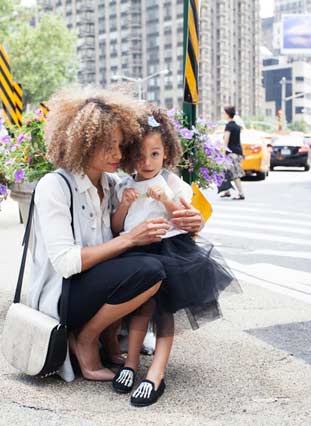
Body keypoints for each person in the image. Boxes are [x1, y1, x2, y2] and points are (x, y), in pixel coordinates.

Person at [26, 88, 205, 383]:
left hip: (96, 287)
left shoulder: (112, 185)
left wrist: (194, 221)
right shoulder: (54, 186)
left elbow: (158, 208)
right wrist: (131, 238)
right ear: (84, 143)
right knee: (149, 269)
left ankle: (109, 339)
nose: (119, 155)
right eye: (109, 146)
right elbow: (66, 263)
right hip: (62, 294)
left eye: (122, 146)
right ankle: (85, 338)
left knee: (154, 268)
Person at [110, 106, 238, 406]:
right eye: (140, 156)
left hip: (170, 252)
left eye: (154, 154)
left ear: (166, 153)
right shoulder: (125, 185)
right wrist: (125, 206)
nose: (147, 162)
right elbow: (117, 227)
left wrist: (166, 198)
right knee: (140, 310)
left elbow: (186, 219)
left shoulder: (173, 183)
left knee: (163, 313)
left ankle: (156, 372)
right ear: (130, 157)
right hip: (136, 251)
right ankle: (131, 364)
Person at [219, 106, 245, 200]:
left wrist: (222, 154)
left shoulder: (229, 126)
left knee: (234, 174)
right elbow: (239, 141)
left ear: (227, 114)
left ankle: (241, 193)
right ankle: (227, 191)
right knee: (226, 171)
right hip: (238, 152)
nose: (223, 115)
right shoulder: (237, 127)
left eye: (224, 113)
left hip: (231, 153)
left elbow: (226, 141)